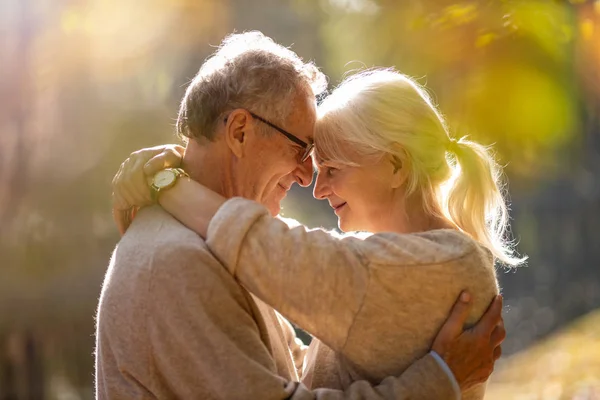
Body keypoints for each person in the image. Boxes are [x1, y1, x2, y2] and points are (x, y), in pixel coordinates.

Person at [100, 31, 504, 399]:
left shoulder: (224, 249)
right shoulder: (182, 263)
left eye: (328, 165)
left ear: (396, 166)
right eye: (301, 150)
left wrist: (167, 180)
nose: (308, 178)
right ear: (240, 132)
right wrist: (437, 381)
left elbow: (287, 364)